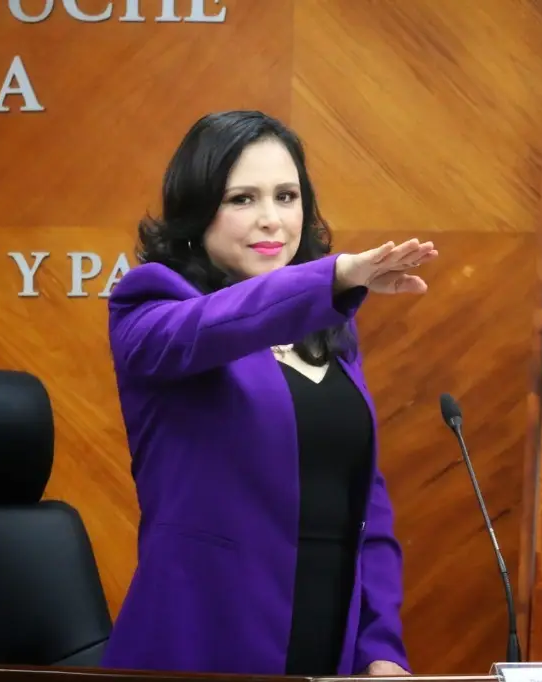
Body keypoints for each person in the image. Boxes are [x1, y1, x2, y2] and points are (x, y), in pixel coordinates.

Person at [100, 110, 437, 677]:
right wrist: (334, 276)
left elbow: (365, 508)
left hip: (326, 645)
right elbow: (223, 324)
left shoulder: (328, 329)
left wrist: (380, 648)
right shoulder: (151, 306)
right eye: (241, 200)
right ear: (197, 210)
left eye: (286, 196)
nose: (271, 221)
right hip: (202, 645)